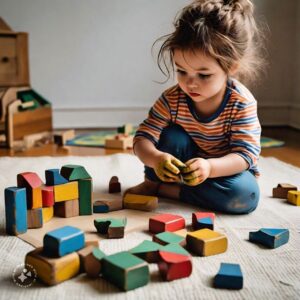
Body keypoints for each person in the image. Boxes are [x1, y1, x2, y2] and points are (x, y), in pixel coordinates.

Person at [126, 0, 265, 214]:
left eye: (203, 75)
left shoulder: (241, 103)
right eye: (182, 71)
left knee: (246, 196)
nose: (190, 83)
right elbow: (143, 138)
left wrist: (210, 168)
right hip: (182, 165)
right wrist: (157, 158)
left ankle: (170, 192)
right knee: (171, 136)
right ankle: (153, 184)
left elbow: (245, 156)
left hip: (222, 172)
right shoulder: (172, 98)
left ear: (232, 66)